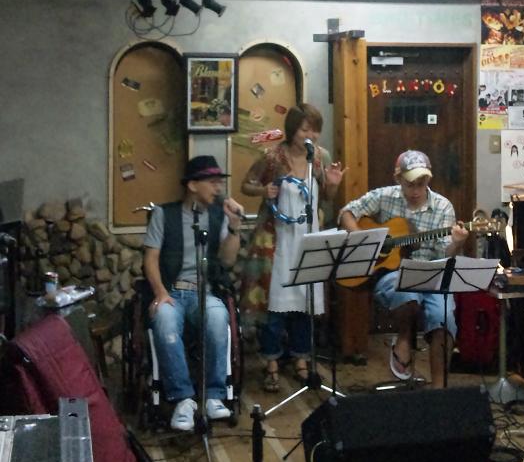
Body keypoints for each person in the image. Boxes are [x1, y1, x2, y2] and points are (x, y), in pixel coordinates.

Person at [339, 150, 469, 388]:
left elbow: (446, 254)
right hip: (392, 273)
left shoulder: (443, 206)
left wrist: (457, 243)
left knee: (444, 319)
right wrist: (364, 241)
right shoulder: (384, 196)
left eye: (422, 183)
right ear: (398, 179)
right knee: (407, 295)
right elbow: (347, 212)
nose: (417, 190)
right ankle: (404, 337)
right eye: (410, 184)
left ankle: (439, 390)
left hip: (432, 274)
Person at [240, 103, 345, 393]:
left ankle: (301, 359)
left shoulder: (320, 157)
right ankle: (271, 363)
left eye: (315, 130)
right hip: (277, 239)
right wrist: (264, 190)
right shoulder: (273, 157)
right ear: (292, 129)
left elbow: (327, 198)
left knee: (305, 301)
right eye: (304, 129)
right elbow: (246, 185)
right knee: (275, 303)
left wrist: (333, 185)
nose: (310, 135)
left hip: (308, 237)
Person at [143, 155, 243, 431]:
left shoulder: (218, 216)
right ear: (193, 185)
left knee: (218, 318)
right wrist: (160, 293)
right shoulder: (164, 214)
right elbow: (150, 258)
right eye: (213, 182)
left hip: (205, 292)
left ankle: (214, 395)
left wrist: (234, 227)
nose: (218, 188)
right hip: (172, 291)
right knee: (164, 321)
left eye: (219, 182)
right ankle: (183, 399)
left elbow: (227, 260)